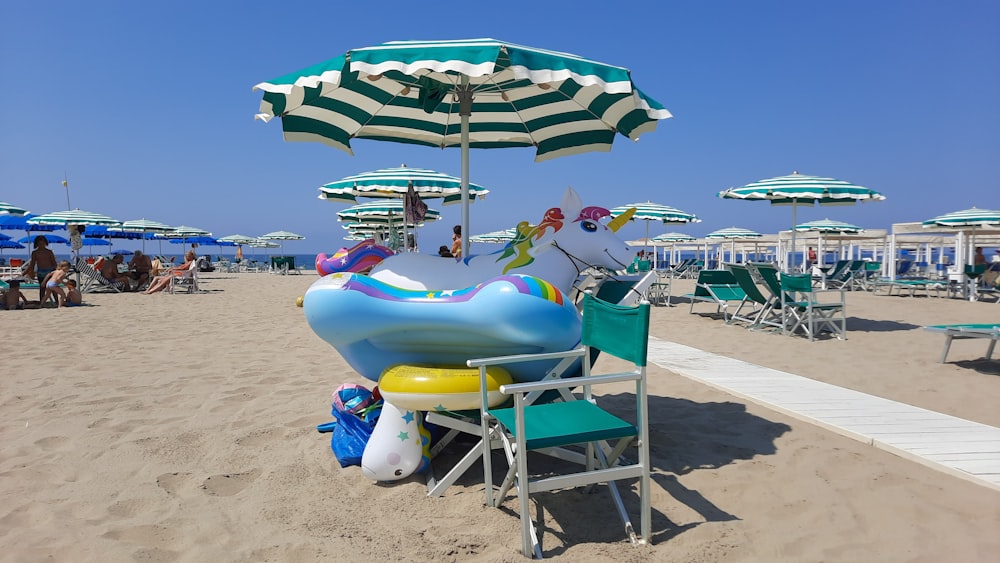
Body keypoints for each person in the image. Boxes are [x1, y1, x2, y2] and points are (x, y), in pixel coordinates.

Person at [22, 235, 58, 302]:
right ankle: (42, 302)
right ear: (37, 244)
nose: (41, 245)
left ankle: (57, 302)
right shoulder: (35, 253)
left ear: (45, 243)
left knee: (52, 287)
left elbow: (54, 263)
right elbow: (32, 264)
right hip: (40, 272)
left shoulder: (49, 252)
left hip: (50, 271)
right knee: (42, 288)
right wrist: (31, 273)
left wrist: (57, 272)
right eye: (40, 244)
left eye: (43, 243)